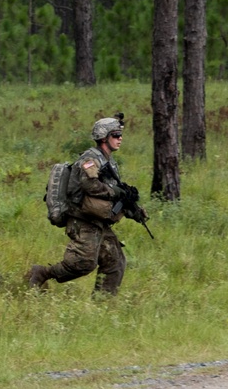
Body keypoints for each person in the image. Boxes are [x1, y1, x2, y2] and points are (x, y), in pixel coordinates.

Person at [29, 116, 148, 296]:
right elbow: (89, 185)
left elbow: (113, 195)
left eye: (120, 134)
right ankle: (42, 273)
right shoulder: (90, 158)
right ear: (103, 137)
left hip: (100, 221)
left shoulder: (110, 163)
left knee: (115, 262)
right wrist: (114, 191)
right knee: (83, 263)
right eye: (116, 135)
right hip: (82, 220)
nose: (120, 138)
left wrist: (132, 210)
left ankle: (102, 305)